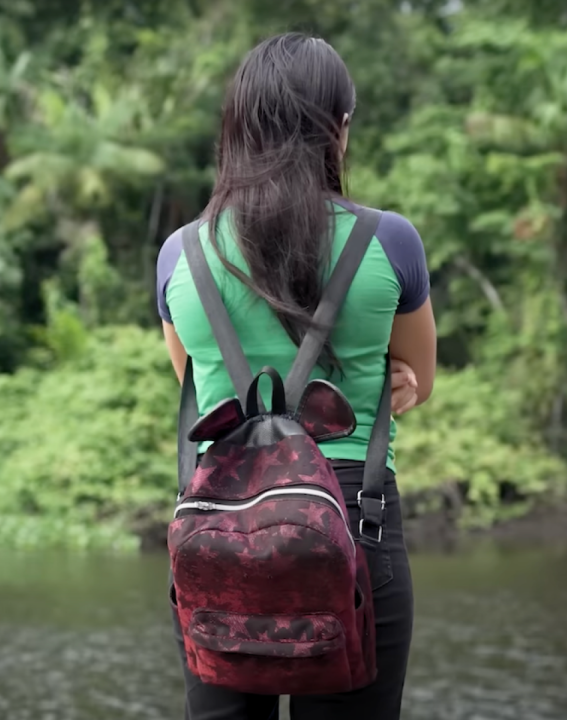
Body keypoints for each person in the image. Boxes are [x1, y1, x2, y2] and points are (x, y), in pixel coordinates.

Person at [155, 33, 437, 720]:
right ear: (337, 129)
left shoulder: (180, 254)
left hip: (220, 529)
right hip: (353, 523)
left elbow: (196, 383)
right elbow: (416, 381)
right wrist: (383, 375)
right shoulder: (388, 241)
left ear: (237, 130)